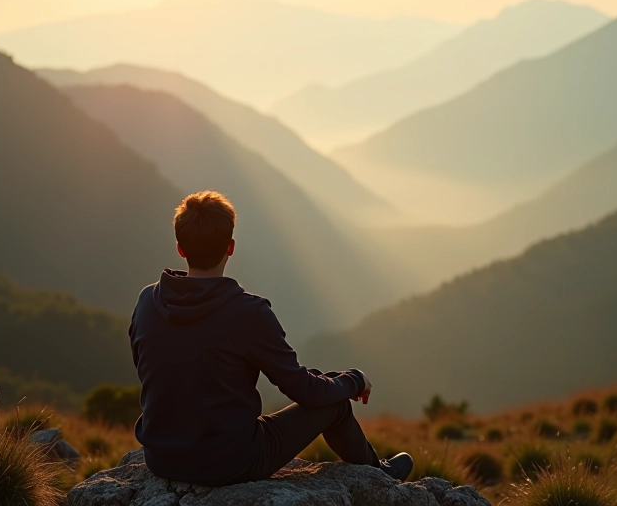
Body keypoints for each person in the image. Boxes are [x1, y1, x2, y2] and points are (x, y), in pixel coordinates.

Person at [128, 190, 413, 486]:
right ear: (231, 247)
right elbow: (306, 393)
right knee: (334, 402)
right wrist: (353, 380)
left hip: (160, 458)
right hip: (228, 463)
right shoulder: (248, 313)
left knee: (324, 382)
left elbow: (147, 367)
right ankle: (380, 476)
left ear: (180, 249)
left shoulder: (148, 301)